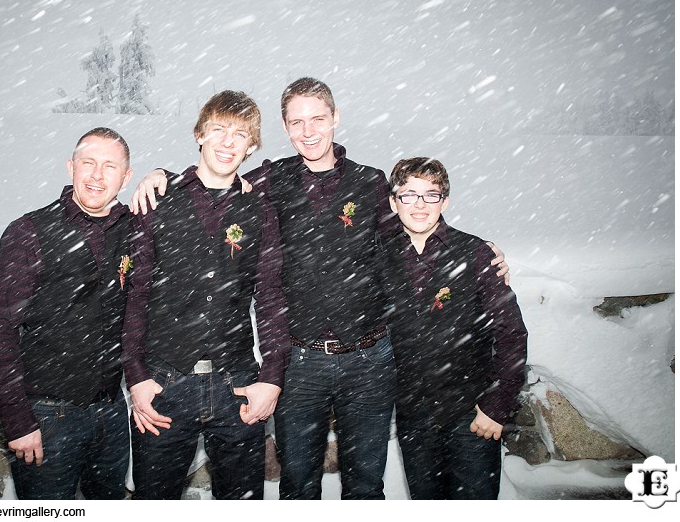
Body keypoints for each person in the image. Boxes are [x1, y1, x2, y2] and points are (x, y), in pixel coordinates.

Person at [130, 77, 509, 499]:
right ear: (286, 127)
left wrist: (474, 249)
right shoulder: (271, 181)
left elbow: (412, 225)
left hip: (369, 362)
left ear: (336, 119)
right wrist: (162, 176)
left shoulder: (370, 183)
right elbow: (219, 176)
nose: (308, 131)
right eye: (297, 122)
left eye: (317, 119)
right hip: (301, 363)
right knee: (298, 484)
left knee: (365, 485)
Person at [121, 90, 290, 500]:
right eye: (218, 130)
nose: (228, 142)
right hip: (163, 384)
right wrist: (136, 376)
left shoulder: (259, 209)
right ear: (199, 134)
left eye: (240, 134)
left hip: (237, 388)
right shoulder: (157, 200)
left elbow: (270, 297)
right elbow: (135, 294)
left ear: (252, 146)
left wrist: (271, 378)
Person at [0, 127, 134, 500]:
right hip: (47, 416)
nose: (97, 176)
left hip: (112, 413)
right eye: (88, 163)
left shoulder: (135, 229)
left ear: (126, 177)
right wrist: (17, 420)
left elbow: (190, 197)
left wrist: (162, 175)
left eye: (110, 166)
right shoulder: (29, 232)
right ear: (70, 167)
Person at [383, 157, 528, 499]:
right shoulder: (379, 255)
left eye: (430, 195)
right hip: (413, 414)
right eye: (409, 195)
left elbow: (510, 332)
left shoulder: (475, 254)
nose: (419, 205)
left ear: (444, 201)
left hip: (472, 413)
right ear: (394, 201)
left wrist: (498, 404)